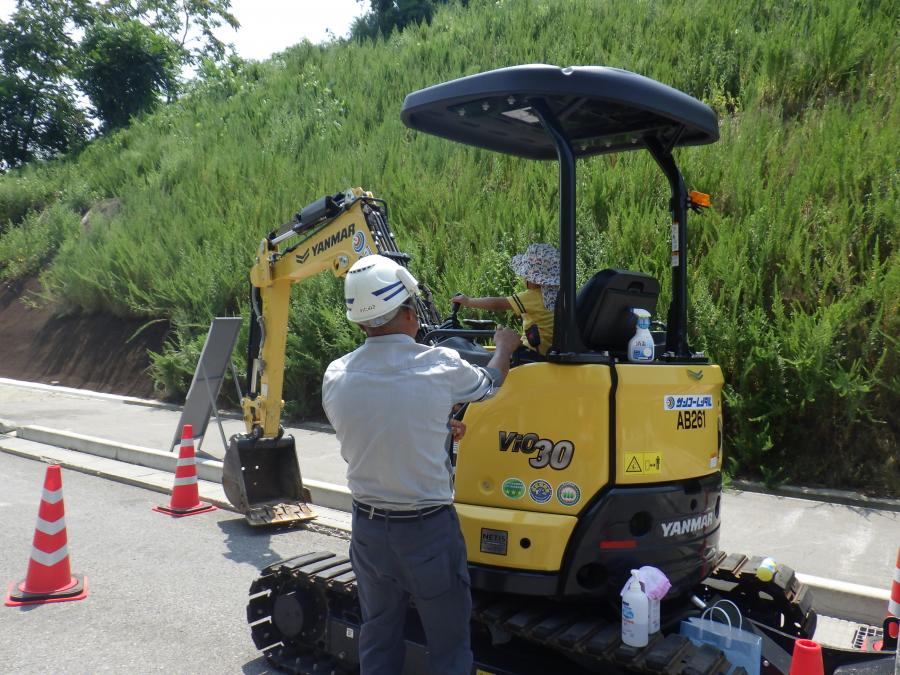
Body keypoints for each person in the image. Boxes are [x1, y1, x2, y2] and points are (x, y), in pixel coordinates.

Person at [322, 254, 521, 675]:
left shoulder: (335, 374)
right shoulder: (440, 365)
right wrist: (504, 347)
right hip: (427, 531)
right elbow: (488, 385)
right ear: (410, 314)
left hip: (369, 530)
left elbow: (376, 425)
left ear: (360, 322)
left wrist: (434, 428)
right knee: (448, 645)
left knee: (378, 634)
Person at [452, 242, 560, 357]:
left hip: (530, 353)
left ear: (531, 279)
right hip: (547, 350)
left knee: (499, 340)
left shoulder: (531, 297)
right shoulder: (559, 295)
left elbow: (496, 304)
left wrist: (468, 301)